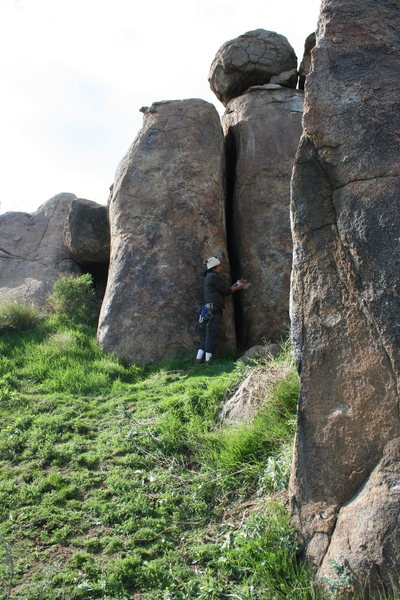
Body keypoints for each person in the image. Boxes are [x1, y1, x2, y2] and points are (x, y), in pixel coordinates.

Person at [196, 257, 247, 364]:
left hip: (207, 308)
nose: (220, 268)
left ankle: (199, 358)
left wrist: (236, 285)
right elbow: (227, 291)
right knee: (212, 333)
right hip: (213, 309)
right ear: (214, 268)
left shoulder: (208, 277)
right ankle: (208, 359)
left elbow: (224, 290)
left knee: (206, 333)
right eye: (219, 266)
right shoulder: (213, 277)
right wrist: (240, 287)